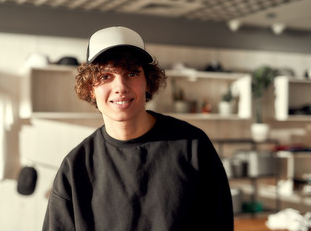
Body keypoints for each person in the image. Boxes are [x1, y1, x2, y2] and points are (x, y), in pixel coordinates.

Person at [42, 26, 234, 231]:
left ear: (148, 82)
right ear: (91, 88)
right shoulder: (76, 167)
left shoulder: (192, 146)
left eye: (132, 73)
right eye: (106, 76)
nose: (121, 86)